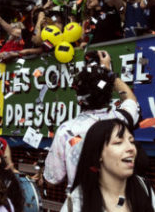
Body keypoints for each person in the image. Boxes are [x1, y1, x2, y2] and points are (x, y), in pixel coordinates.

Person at [44, 50, 141, 189]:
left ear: (78, 96)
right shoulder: (120, 120)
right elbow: (130, 99)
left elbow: (52, 180)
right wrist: (108, 72)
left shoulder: (66, 132)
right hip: (117, 205)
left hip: (82, 206)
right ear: (110, 93)